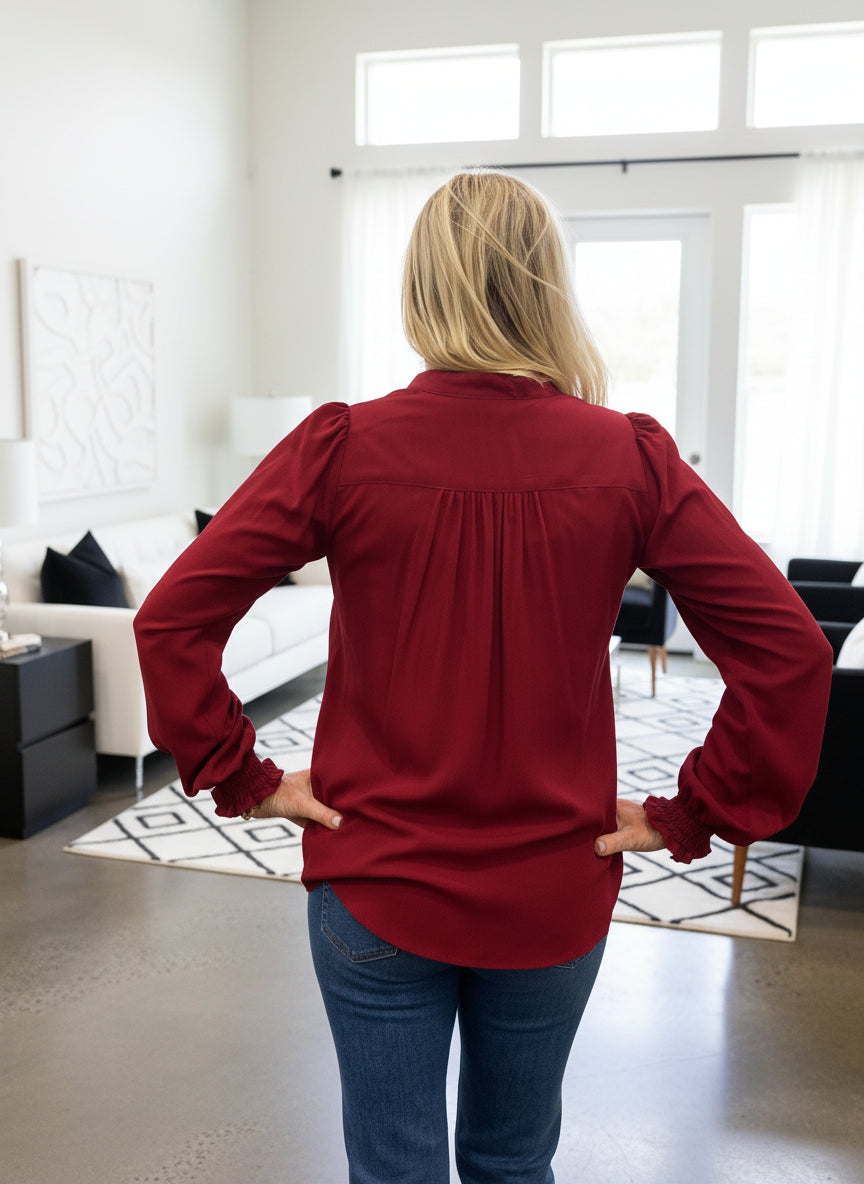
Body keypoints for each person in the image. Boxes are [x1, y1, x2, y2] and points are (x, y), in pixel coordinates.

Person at [134, 171, 833, 1184]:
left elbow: (172, 616)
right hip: (554, 885)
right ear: (548, 287)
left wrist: (242, 774)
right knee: (512, 1161)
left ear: (422, 289)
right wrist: (692, 811)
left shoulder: (343, 446)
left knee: (395, 1169)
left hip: (375, 881)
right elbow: (791, 650)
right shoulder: (629, 456)